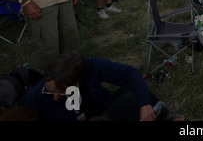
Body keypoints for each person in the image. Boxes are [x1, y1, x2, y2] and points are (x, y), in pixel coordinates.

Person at [23, 51, 185, 121]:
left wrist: (145, 104)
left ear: (75, 83)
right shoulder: (35, 100)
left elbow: (130, 73)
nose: (55, 96)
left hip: (103, 113)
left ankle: (164, 115)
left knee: (131, 92)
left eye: (59, 92)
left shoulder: (88, 67)